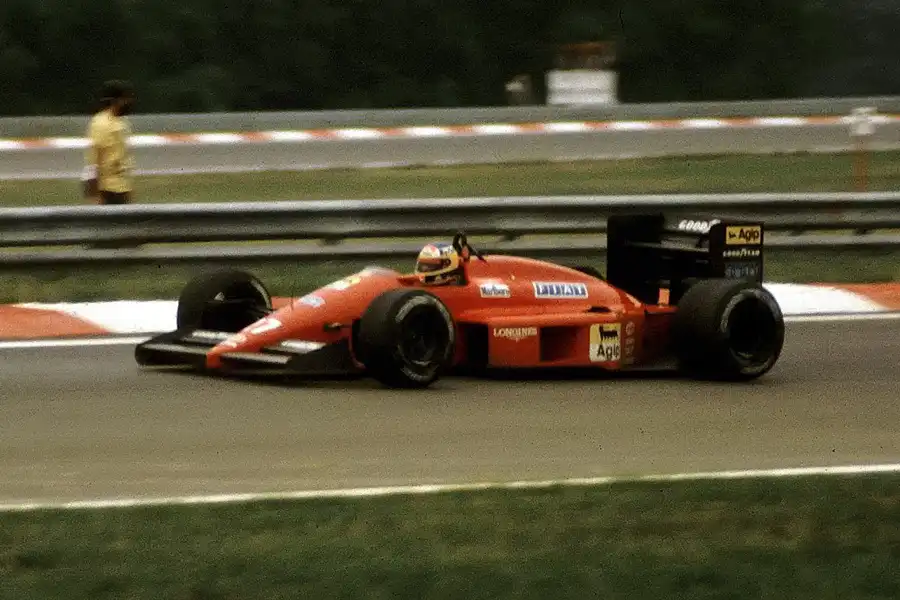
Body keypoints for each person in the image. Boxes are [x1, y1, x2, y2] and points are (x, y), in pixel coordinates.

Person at [82, 79, 136, 205]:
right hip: (107, 190)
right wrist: (94, 194)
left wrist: (129, 189)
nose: (129, 102)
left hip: (122, 188)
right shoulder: (101, 123)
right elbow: (93, 161)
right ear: (115, 101)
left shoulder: (121, 122)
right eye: (125, 99)